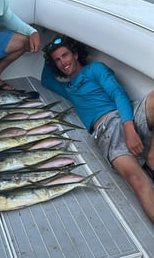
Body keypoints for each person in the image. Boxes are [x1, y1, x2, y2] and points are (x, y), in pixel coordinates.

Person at [41, 35, 154, 223]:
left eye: (65, 55)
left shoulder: (95, 69)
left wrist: (128, 127)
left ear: (75, 54)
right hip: (107, 131)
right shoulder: (67, 88)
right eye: (57, 60)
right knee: (137, 182)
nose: (63, 62)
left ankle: (150, 156)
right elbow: (45, 79)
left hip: (129, 112)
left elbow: (118, 93)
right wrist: (47, 41)